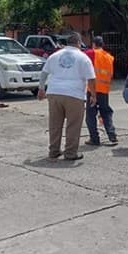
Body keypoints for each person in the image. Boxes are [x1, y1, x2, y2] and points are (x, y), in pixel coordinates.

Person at [37, 32, 97, 161]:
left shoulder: (54, 56)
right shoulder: (83, 57)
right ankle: (70, 153)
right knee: (73, 124)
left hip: (54, 93)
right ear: (78, 43)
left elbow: (44, 73)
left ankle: (53, 151)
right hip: (74, 94)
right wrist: (93, 94)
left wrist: (41, 89)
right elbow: (91, 79)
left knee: (55, 124)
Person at [84, 36, 118, 146]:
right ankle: (112, 135)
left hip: (92, 89)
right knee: (106, 112)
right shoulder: (109, 57)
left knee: (90, 114)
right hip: (104, 89)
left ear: (93, 44)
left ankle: (94, 138)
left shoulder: (91, 53)